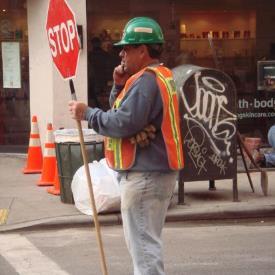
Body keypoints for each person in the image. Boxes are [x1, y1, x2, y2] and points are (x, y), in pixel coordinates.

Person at [68, 17, 184, 275]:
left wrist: (88, 113)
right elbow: (124, 112)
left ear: (143, 50)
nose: (121, 53)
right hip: (156, 171)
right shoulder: (159, 76)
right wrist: (119, 85)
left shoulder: (145, 81)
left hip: (145, 175)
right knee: (147, 245)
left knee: (144, 251)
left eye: (127, 48)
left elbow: (122, 122)